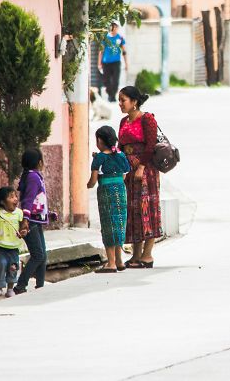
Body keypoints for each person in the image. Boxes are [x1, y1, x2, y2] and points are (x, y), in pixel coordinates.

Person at [117, 85, 162, 268]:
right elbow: (120, 146)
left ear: (134, 102)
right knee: (133, 212)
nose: (120, 104)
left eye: (123, 100)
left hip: (146, 172)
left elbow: (151, 146)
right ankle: (135, 255)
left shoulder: (147, 119)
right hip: (130, 172)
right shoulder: (123, 122)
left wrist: (141, 167)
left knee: (147, 210)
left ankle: (147, 255)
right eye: (119, 100)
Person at [87, 126, 131, 273]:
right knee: (119, 223)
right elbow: (124, 175)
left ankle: (111, 263)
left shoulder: (99, 158)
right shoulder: (120, 155)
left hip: (106, 192)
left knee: (108, 225)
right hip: (120, 190)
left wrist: (88, 185)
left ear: (100, 140)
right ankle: (119, 261)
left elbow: (93, 181)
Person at [14, 149, 49, 294]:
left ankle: (40, 285)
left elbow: (37, 199)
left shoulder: (33, 176)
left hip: (36, 220)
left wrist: (49, 213)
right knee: (38, 255)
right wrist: (25, 220)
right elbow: (28, 200)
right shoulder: (33, 177)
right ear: (39, 162)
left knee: (43, 254)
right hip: (31, 222)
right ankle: (20, 285)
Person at [0, 186, 27, 297]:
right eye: (11, 197)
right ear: (2, 202)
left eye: (15, 196)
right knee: (1, 265)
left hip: (13, 247)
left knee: (13, 267)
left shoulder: (19, 213)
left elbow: (24, 227)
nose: (15, 199)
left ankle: (10, 289)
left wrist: (23, 232)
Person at [98, 21, 127, 102]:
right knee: (106, 81)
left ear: (117, 28)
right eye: (112, 27)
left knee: (115, 80)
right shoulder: (105, 38)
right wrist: (99, 63)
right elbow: (101, 51)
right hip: (106, 62)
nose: (114, 28)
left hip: (116, 62)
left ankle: (112, 96)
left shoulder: (120, 38)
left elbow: (124, 51)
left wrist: (126, 63)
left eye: (115, 27)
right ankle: (110, 94)